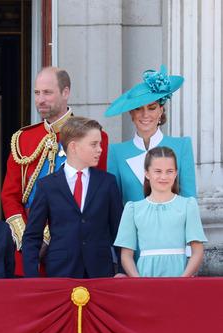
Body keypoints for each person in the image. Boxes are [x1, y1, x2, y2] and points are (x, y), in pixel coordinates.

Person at [1, 66, 109, 276]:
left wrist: (48, 238)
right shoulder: (23, 139)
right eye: (36, 92)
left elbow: (91, 195)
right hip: (28, 251)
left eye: (47, 93)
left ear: (65, 93)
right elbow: (10, 195)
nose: (40, 99)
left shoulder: (93, 138)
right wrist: (28, 239)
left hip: (72, 246)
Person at [22, 117, 123, 278]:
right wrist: (32, 278)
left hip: (100, 273)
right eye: (93, 144)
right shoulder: (47, 186)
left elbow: (120, 231)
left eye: (100, 144)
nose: (100, 149)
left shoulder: (107, 182)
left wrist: (123, 271)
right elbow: (32, 236)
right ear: (73, 147)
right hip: (60, 273)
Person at [105, 65, 196, 203]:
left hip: (173, 224)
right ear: (131, 112)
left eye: (152, 108)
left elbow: (190, 201)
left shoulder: (182, 146)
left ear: (161, 110)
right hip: (133, 224)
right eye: (138, 109)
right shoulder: (116, 152)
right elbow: (113, 205)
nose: (145, 115)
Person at [114, 147, 206, 277]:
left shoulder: (187, 205)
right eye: (158, 171)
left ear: (175, 173)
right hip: (145, 278)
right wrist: (139, 282)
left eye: (169, 171)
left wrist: (182, 281)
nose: (164, 177)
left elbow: (197, 251)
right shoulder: (133, 209)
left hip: (179, 277)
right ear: (147, 173)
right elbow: (126, 255)